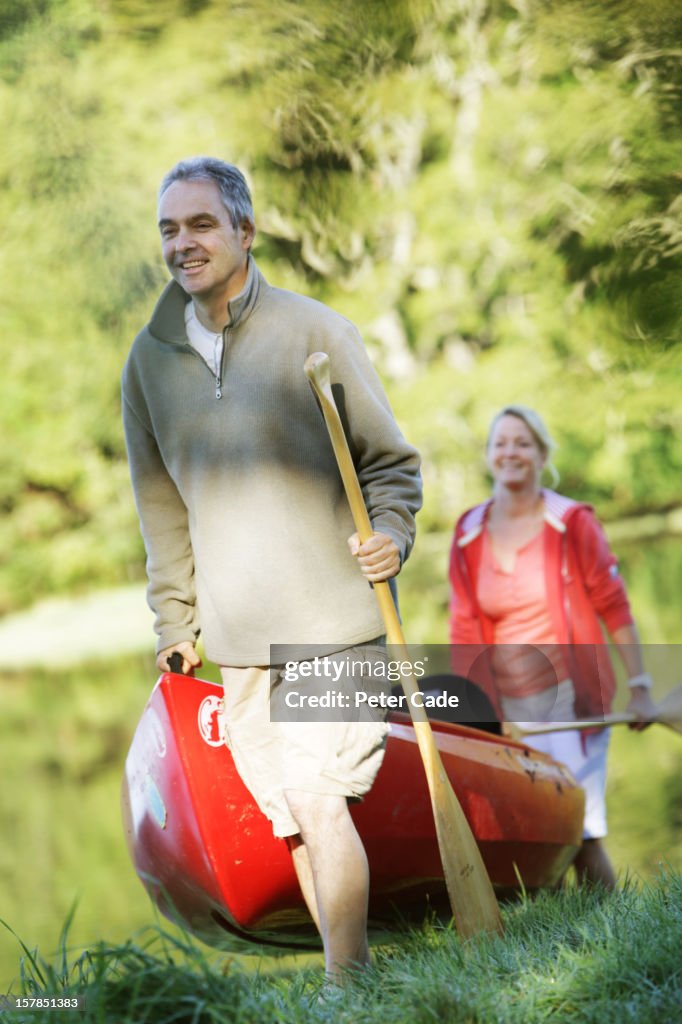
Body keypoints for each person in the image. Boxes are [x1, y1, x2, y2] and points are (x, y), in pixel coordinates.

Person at [121, 157, 422, 978]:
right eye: (169, 229)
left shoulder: (315, 332)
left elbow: (392, 466)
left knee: (321, 799)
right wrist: (175, 622)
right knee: (293, 814)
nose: (184, 243)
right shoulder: (146, 368)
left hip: (339, 622)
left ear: (246, 232)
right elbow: (163, 517)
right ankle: (352, 978)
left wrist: (392, 533)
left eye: (202, 225)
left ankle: (342, 990)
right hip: (241, 640)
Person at [448, 405, 656, 888]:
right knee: (532, 834)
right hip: (507, 707)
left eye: (522, 442)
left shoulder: (572, 522)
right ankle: (560, 934)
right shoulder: (467, 531)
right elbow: (462, 629)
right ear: (488, 456)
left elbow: (615, 606)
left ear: (542, 454)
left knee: (579, 833)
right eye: (500, 443)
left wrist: (641, 685)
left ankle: (611, 926)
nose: (510, 452)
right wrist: (478, 711)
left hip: (571, 698)